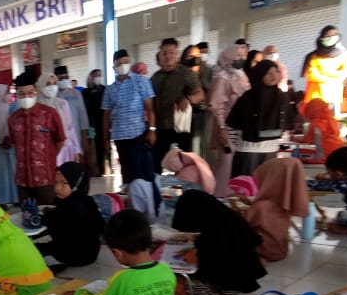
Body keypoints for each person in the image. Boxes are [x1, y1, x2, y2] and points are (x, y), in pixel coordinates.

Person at [170, 190, 265, 295]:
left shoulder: (213, 237)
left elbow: (202, 268)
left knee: (166, 283)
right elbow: (255, 239)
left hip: (225, 292)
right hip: (244, 285)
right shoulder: (227, 217)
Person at [102, 49, 157, 189]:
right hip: (120, 138)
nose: (123, 65)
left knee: (142, 174)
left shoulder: (141, 82)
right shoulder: (110, 89)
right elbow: (106, 115)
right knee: (127, 175)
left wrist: (152, 130)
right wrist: (105, 138)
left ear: (130, 63)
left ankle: (149, 204)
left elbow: (150, 108)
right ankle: (132, 204)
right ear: (114, 67)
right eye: (119, 63)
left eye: (125, 62)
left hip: (138, 135)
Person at [226, 59, 290, 178]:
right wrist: (234, 147)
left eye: (276, 72)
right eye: (269, 73)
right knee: (245, 191)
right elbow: (234, 124)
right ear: (260, 75)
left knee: (266, 191)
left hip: (271, 151)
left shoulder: (281, 97)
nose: (274, 76)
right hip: (247, 152)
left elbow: (285, 125)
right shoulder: (248, 97)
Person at [9, 70, 66, 204]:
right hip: (22, 180)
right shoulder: (13, 119)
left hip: (45, 179)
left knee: (48, 216)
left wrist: (46, 157)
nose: (26, 97)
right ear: (16, 95)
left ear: (36, 92)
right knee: (27, 218)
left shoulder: (50, 114)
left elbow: (60, 141)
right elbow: (14, 144)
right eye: (21, 94)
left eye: (30, 93)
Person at [34, 162, 103, 270]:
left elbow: (47, 221)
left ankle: (56, 262)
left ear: (76, 184)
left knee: (31, 249)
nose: (57, 188)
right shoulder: (87, 200)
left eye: (64, 183)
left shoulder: (70, 207)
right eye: (56, 182)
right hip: (92, 253)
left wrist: (36, 217)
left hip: (75, 256)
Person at [241, 157, 309, 262]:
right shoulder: (284, 206)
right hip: (281, 251)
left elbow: (241, 224)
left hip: (263, 251)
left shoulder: (261, 207)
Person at [150, 38, 201, 170]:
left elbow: (200, 94)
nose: (168, 56)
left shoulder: (186, 73)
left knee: (185, 163)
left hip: (181, 126)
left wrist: (188, 99)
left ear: (177, 55)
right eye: (165, 52)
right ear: (160, 55)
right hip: (161, 127)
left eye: (171, 52)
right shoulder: (155, 77)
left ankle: (186, 189)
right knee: (156, 163)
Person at [206, 46, 249, 196]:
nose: (241, 59)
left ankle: (220, 189)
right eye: (238, 55)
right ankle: (217, 192)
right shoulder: (221, 78)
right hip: (225, 124)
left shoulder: (241, 76)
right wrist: (222, 127)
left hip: (238, 124)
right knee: (225, 158)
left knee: (228, 159)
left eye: (243, 55)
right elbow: (215, 105)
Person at [300, 25, 347, 114]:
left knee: (332, 124)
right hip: (315, 97)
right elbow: (312, 75)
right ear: (322, 38)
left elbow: (345, 72)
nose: (332, 37)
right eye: (328, 35)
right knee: (317, 125)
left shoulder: (343, 54)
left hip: (334, 97)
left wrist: (324, 73)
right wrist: (334, 76)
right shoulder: (312, 56)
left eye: (335, 35)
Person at [41, 72, 81, 166]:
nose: (51, 87)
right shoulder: (37, 107)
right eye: (48, 84)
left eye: (54, 84)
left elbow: (70, 129)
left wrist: (76, 150)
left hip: (65, 150)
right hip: (45, 151)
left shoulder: (62, 104)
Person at [54, 65, 90, 164]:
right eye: (61, 78)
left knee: (76, 164)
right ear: (56, 79)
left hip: (75, 135)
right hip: (59, 138)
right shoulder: (53, 95)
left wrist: (84, 138)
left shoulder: (76, 94)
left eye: (66, 78)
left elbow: (83, 116)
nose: (64, 80)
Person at [82, 68, 107, 176]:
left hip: (102, 122)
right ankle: (92, 169)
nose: (98, 77)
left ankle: (101, 169)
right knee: (91, 145)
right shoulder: (86, 92)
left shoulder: (104, 89)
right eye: (96, 75)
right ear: (91, 77)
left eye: (100, 75)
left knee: (102, 144)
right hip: (91, 123)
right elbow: (85, 107)